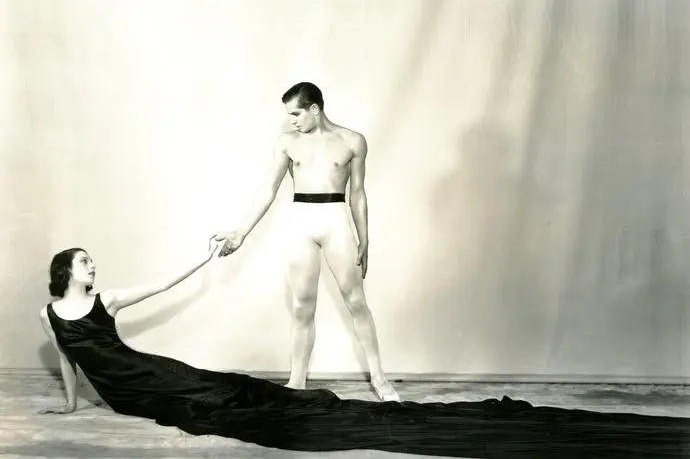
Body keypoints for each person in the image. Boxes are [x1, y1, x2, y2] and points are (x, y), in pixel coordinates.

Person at [38, 244, 690, 458]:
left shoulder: (109, 299)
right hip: (126, 392)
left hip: (150, 374)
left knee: (223, 390)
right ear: (67, 273)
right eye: (85, 262)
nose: (94, 266)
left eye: (93, 261)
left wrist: (205, 257)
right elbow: (72, 359)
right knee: (211, 401)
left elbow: (164, 283)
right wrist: (72, 406)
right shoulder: (50, 312)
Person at [213, 82, 399, 401]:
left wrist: (364, 238)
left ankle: (379, 379)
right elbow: (268, 189)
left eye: (296, 114)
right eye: (289, 115)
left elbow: (357, 193)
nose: (292, 120)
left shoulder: (352, 141)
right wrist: (241, 231)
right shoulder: (287, 142)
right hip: (300, 222)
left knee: (355, 300)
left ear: (315, 109)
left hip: (335, 219)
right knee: (301, 306)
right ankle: (296, 382)